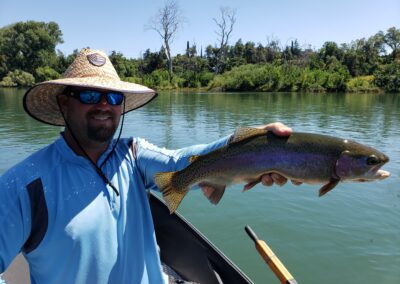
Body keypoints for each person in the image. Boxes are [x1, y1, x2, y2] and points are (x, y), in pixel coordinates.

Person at [0, 48, 297, 284]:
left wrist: (253, 147)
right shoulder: (22, 186)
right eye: (90, 95)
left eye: (114, 97)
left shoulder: (132, 154)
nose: (104, 105)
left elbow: (183, 162)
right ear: (64, 104)